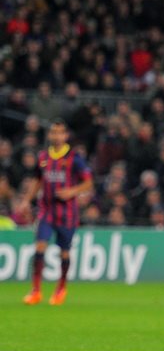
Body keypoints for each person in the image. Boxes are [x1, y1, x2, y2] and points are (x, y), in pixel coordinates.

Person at [20, 119, 94, 305]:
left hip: (67, 213)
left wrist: (71, 191)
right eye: (53, 132)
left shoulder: (74, 158)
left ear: (65, 135)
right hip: (46, 210)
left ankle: (61, 288)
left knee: (64, 253)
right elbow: (37, 180)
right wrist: (26, 200)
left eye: (60, 132)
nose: (56, 136)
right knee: (40, 246)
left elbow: (88, 182)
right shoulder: (43, 157)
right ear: (50, 134)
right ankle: (36, 290)